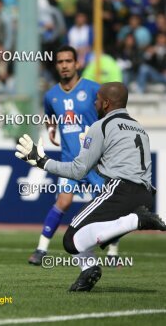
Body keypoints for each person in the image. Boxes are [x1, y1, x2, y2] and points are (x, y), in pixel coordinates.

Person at [16, 82, 166, 291]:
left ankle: (134, 221)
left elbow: (78, 171)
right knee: (83, 236)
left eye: (97, 99)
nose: (93, 102)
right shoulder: (138, 127)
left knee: (71, 239)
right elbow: (116, 166)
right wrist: (95, 156)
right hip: (145, 194)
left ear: (105, 103)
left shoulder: (101, 126)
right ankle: (89, 270)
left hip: (120, 191)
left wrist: (42, 162)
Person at [28, 45, 120, 266]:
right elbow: (50, 114)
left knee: (107, 205)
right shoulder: (51, 95)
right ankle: (41, 250)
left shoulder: (93, 89)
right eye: (60, 62)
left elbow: (112, 114)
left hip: (96, 162)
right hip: (70, 161)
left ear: (77, 64)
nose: (64, 65)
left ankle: (113, 253)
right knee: (63, 201)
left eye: (68, 61)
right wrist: (51, 129)